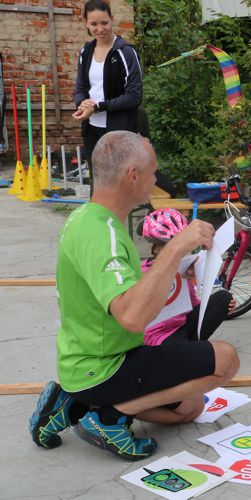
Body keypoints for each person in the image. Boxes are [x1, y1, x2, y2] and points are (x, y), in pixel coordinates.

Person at [28, 131, 239, 461]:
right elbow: (131, 316)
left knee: (190, 407)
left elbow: (117, 286)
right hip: (104, 366)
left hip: (90, 359)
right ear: (133, 175)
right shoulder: (103, 232)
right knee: (225, 360)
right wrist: (176, 246)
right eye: (153, 171)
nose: (156, 178)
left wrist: (175, 266)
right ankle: (107, 418)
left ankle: (76, 404)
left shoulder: (89, 219)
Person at [72, 0, 143, 188]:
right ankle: (98, 218)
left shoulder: (125, 52)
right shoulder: (86, 52)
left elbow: (134, 95)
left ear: (112, 19)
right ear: (86, 23)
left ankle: (118, 218)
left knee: (119, 184)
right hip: (92, 130)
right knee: (97, 182)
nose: (100, 28)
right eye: (94, 24)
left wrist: (99, 106)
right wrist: (82, 104)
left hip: (119, 131)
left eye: (104, 22)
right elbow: (81, 87)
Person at [140, 208, 235, 345]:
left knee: (224, 297)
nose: (176, 252)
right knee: (206, 355)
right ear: (153, 247)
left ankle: (190, 348)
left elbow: (193, 307)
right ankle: (187, 351)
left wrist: (190, 279)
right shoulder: (144, 273)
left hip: (182, 327)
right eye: (167, 247)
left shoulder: (182, 266)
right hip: (159, 336)